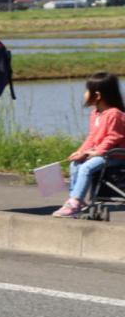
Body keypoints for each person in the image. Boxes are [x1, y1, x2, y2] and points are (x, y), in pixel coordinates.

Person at [52, 72, 125, 217]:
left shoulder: (114, 114)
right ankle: (76, 199)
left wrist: (97, 152)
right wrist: (81, 152)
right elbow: (92, 137)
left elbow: (114, 137)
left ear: (97, 95)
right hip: (101, 153)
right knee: (75, 164)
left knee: (86, 167)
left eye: (87, 90)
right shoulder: (96, 114)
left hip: (115, 155)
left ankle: (75, 201)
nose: (85, 94)